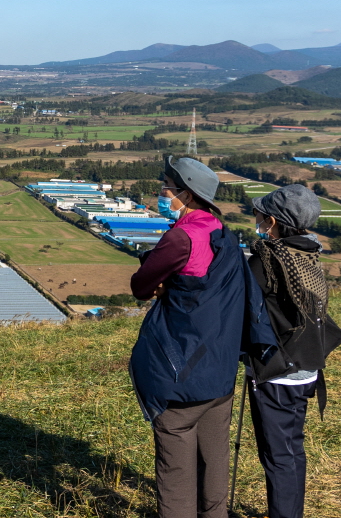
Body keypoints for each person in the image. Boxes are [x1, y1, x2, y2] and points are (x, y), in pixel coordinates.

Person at [129, 156, 274, 518]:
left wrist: (164, 283)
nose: (160, 192)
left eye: (165, 186)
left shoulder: (181, 236)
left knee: (175, 472)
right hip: (220, 371)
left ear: (186, 194)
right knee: (214, 461)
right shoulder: (220, 232)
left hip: (181, 377)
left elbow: (140, 285)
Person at [246, 184, 341, 518]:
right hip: (307, 367)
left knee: (278, 456)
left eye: (260, 214)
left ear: (272, 221)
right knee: (291, 449)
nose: (256, 218)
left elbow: (244, 309)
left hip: (277, 373)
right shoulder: (309, 252)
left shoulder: (267, 259)